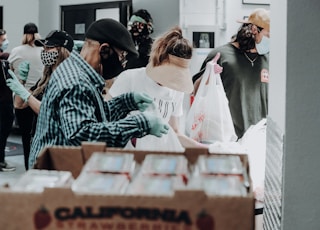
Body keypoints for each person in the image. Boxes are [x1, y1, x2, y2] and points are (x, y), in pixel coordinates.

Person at [28, 18, 170, 168]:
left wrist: (127, 102)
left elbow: (92, 115)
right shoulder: (76, 82)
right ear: (104, 50)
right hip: (54, 174)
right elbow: (84, 136)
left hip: (59, 165)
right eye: (121, 56)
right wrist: (141, 123)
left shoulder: (78, 71)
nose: (122, 64)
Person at [107, 26, 207, 148]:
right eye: (171, 72)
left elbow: (175, 132)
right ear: (159, 60)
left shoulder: (176, 90)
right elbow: (106, 119)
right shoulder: (130, 79)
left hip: (158, 156)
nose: (171, 79)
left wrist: (206, 149)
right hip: (128, 154)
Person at [192, 8, 270, 138]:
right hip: (226, 138)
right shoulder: (221, 56)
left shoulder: (268, 60)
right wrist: (209, 74)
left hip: (260, 139)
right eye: (269, 35)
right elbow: (196, 91)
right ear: (255, 30)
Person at [6, 30, 74, 170]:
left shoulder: (68, 80)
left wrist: (26, 94)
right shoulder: (44, 79)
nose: (45, 51)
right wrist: (21, 81)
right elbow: (19, 105)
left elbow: (48, 112)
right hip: (39, 141)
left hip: (56, 145)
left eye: (49, 48)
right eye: (44, 48)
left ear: (62, 51)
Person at [7, 22, 43, 170]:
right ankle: (39, 166)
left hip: (21, 97)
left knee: (25, 136)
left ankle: (29, 167)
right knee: (39, 135)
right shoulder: (43, 51)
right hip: (39, 97)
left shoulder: (16, 51)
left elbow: (9, 69)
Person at [0, 29, 16, 171]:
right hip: (3, 101)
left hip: (5, 100)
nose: (6, 42)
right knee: (2, 131)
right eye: (3, 39)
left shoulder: (4, 58)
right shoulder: (3, 60)